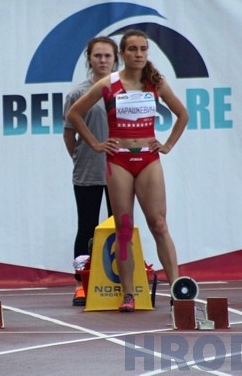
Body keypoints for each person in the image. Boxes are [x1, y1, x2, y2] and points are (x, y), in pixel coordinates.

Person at [66, 29, 189, 313]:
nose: (138, 54)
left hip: (148, 159)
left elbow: (183, 115)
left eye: (143, 49)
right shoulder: (109, 84)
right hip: (118, 160)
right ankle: (129, 292)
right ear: (123, 54)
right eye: (132, 49)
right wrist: (96, 143)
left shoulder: (155, 83)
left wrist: (167, 144)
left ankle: (177, 287)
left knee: (158, 224)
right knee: (123, 227)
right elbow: (74, 114)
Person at [62, 37, 117, 306]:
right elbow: (68, 133)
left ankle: (119, 279)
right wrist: (80, 155)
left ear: (115, 59)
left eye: (108, 56)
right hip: (88, 170)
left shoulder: (126, 90)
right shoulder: (77, 94)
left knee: (121, 225)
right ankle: (82, 285)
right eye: (98, 56)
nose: (103, 61)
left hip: (121, 170)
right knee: (87, 227)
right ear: (89, 59)